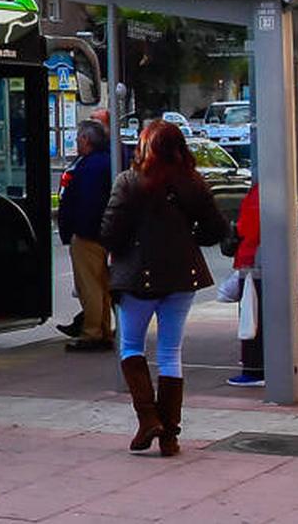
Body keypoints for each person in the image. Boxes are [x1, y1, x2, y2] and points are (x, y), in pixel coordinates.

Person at [99, 120, 228, 457]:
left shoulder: (128, 182)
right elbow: (216, 229)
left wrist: (129, 245)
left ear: (145, 148)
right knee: (171, 353)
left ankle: (148, 419)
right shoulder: (193, 182)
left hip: (136, 278)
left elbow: (109, 233)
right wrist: (187, 240)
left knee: (131, 347)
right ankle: (170, 435)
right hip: (182, 277)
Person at [57, 119, 114, 352]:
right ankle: (102, 330)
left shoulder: (89, 166)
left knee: (89, 285)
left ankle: (92, 333)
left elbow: (87, 202)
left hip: (88, 235)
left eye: (79, 137)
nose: (77, 141)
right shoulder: (106, 162)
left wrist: (79, 229)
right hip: (101, 234)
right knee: (101, 286)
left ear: (87, 140)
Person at [228, 184, 263, 387]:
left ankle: (254, 367)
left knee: (252, 314)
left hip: (252, 258)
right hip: (260, 257)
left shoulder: (260, 191)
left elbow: (249, 226)